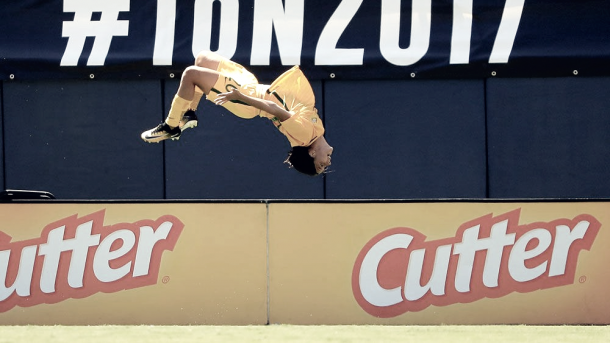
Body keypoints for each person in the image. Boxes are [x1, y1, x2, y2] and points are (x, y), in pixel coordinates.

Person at [141, 51, 333, 175]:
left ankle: (171, 126)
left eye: (321, 165)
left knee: (191, 74)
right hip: (251, 87)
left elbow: (274, 109)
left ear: (312, 152)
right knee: (202, 60)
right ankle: (189, 112)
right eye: (324, 166)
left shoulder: (305, 136)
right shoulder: (317, 131)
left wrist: (240, 96)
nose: (327, 163)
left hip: (248, 99)